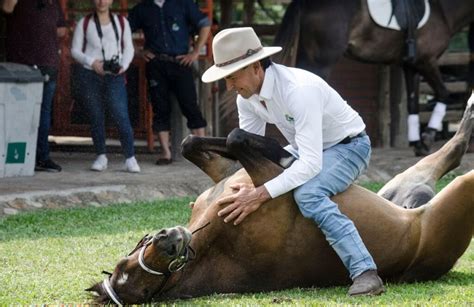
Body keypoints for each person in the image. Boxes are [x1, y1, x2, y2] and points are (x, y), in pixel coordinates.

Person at [201, 27, 385, 296]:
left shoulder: (300, 90)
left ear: (254, 67)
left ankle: (365, 272)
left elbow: (311, 164)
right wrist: (246, 183)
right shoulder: (246, 97)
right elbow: (252, 151)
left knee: (308, 194)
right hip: (304, 147)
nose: (229, 86)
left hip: (350, 147)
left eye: (232, 77)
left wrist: (260, 194)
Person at [128, 0, 209, 165]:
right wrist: (137, 51)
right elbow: (122, 30)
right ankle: (166, 153)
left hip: (181, 62)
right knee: (160, 108)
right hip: (156, 63)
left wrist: (195, 52)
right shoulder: (142, 8)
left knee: (190, 105)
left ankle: (204, 151)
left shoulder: (183, 3)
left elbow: (205, 24)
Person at [71, 0, 140, 173]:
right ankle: (101, 155)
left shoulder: (121, 22)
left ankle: (130, 157)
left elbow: (129, 49)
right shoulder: (85, 23)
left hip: (115, 75)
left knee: (121, 114)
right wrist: (92, 62)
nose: (102, 2)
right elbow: (75, 50)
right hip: (90, 74)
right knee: (95, 114)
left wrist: (123, 66)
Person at [2, 0, 66, 172]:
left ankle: (41, 157)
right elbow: (6, 8)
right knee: (18, 113)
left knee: (43, 114)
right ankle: (14, 158)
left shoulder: (53, 3)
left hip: (48, 64)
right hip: (21, 67)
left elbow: (62, 29)